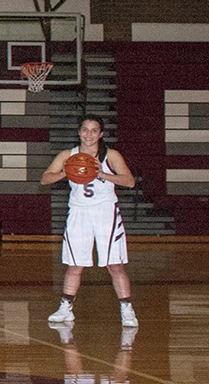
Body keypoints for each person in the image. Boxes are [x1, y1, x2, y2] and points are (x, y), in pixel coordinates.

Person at [41, 114, 139, 327]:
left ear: (101, 134)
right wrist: (65, 173)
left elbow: (129, 181)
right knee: (75, 265)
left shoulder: (110, 155)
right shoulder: (69, 155)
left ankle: (127, 310)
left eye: (94, 130)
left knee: (115, 265)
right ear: (79, 132)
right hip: (79, 212)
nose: (89, 134)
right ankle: (66, 308)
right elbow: (45, 177)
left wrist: (103, 174)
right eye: (85, 129)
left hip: (105, 212)